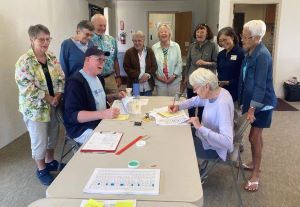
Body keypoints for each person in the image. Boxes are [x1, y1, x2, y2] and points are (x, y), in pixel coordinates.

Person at [15, 24, 65, 185]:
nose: (45, 43)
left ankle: (50, 161)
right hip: (35, 109)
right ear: (32, 39)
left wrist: (58, 94)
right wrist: (48, 98)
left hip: (53, 104)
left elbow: (60, 77)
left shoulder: (51, 56)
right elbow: (26, 88)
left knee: (53, 135)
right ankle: (41, 168)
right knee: (39, 140)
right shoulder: (24, 61)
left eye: (48, 39)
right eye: (41, 39)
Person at [239, 20, 277, 192]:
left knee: (254, 137)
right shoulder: (250, 51)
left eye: (245, 37)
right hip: (253, 101)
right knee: (255, 137)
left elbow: (261, 86)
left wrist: (252, 108)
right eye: (242, 35)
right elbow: (246, 79)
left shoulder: (262, 55)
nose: (242, 40)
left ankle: (256, 173)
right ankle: (255, 162)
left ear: (256, 38)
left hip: (262, 104)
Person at [169, 68, 234, 164]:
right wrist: (179, 106)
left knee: (178, 144)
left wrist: (199, 127)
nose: (194, 91)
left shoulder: (222, 104)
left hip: (214, 148)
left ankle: (193, 173)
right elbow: (196, 100)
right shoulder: (216, 92)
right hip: (203, 136)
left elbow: (227, 142)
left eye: (196, 88)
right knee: (178, 133)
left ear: (206, 86)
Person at [63, 46, 126, 144]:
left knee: (124, 130)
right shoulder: (75, 82)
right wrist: (103, 114)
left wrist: (115, 96)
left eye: (104, 60)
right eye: (98, 59)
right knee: (112, 141)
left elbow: (96, 99)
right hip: (83, 128)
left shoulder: (99, 78)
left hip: (100, 121)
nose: (102, 63)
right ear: (87, 60)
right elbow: (73, 116)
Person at [185, 24, 218, 119]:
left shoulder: (212, 46)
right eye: (198, 32)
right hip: (192, 82)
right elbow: (188, 63)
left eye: (202, 32)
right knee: (190, 104)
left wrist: (206, 63)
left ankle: (200, 126)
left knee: (202, 106)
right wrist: (186, 77)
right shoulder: (192, 46)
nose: (199, 34)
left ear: (207, 34)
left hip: (205, 83)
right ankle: (191, 123)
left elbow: (216, 64)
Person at [91, 14, 121, 94]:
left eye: (104, 26)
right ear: (92, 25)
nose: (103, 28)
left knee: (115, 101)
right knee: (98, 104)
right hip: (94, 79)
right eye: (100, 25)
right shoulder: (88, 41)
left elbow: (115, 59)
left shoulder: (111, 40)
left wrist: (118, 76)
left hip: (110, 78)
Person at [123, 30, 157, 96]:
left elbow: (154, 66)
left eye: (139, 40)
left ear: (143, 40)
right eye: (135, 41)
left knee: (147, 104)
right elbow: (127, 68)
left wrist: (148, 74)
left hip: (148, 86)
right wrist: (140, 76)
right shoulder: (129, 52)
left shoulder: (149, 51)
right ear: (132, 41)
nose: (137, 43)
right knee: (135, 104)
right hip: (134, 85)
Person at [152, 24, 182, 96]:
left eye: (165, 31)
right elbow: (152, 65)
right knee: (162, 103)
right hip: (160, 82)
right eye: (161, 32)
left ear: (169, 34)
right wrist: (158, 77)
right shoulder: (154, 47)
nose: (163, 33)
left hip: (174, 81)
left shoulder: (176, 46)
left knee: (173, 102)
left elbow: (179, 63)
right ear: (158, 35)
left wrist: (173, 77)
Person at [217, 27, 244, 103]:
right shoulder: (220, 55)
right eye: (220, 41)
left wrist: (228, 82)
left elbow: (243, 76)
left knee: (233, 114)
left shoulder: (241, 53)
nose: (223, 43)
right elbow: (219, 72)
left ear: (232, 37)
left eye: (225, 39)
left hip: (235, 92)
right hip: (222, 91)